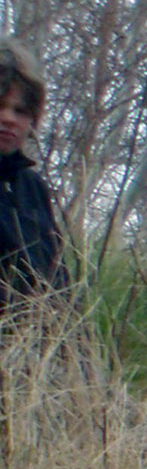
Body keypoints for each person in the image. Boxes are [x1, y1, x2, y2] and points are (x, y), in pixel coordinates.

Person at [0, 38, 63, 301]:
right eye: (0, 106)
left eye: (20, 110)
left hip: (36, 338)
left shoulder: (33, 190)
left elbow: (60, 286)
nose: (9, 119)